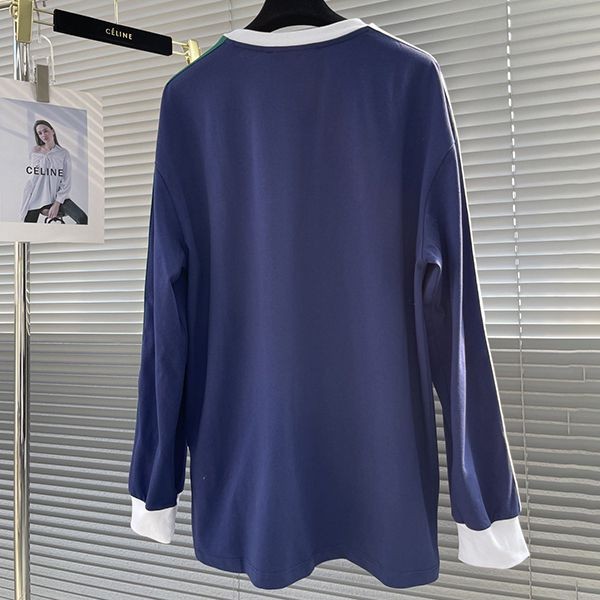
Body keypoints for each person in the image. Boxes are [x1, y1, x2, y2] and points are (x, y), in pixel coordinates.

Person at [19, 119, 88, 224]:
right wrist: (27, 199)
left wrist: (57, 204)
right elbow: (33, 179)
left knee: (82, 218)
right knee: (28, 228)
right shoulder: (35, 152)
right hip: (37, 198)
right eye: (40, 133)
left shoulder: (63, 153)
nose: (43, 135)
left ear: (52, 131)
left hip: (58, 198)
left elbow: (66, 181)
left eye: (45, 131)